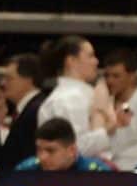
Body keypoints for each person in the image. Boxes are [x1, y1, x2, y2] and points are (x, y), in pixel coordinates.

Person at [38, 34, 112, 165]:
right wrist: (108, 126)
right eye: (90, 56)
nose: (96, 61)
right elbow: (77, 149)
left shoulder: (87, 94)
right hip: (77, 176)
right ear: (71, 61)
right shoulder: (67, 99)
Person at [0, 52, 49, 172]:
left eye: (9, 78)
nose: (3, 83)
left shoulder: (38, 110)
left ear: (28, 80)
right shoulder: (27, 109)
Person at [14, 116, 114, 172]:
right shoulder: (26, 170)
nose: (42, 157)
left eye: (50, 151)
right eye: (39, 150)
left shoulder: (97, 174)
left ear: (72, 150)